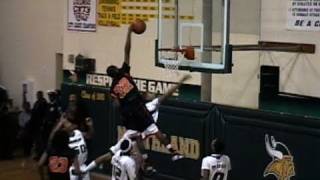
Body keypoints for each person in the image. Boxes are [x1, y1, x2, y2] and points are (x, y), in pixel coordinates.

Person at [106, 25, 185, 161]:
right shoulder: (123, 73)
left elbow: (116, 104)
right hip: (137, 108)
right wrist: (129, 32)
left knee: (140, 135)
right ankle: (170, 152)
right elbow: (127, 51)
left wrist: (121, 102)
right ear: (115, 70)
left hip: (130, 113)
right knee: (152, 130)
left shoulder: (114, 86)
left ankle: (150, 158)